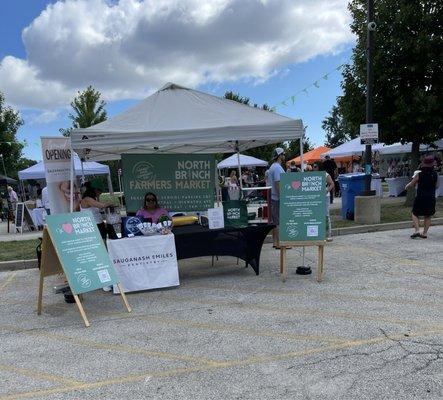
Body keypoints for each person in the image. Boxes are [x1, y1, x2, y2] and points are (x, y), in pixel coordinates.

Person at [405, 155, 439, 239]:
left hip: (420, 196)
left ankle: (417, 230)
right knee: (428, 215)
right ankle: (424, 233)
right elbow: (437, 186)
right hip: (431, 197)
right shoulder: (435, 174)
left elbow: (412, 184)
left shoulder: (419, 174)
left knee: (414, 212)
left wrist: (412, 185)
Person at [268, 147, 286, 248]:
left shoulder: (272, 167)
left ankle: (275, 242)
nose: (284, 156)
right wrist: (282, 197)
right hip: (277, 198)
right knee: (279, 221)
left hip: (273, 197)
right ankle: (279, 243)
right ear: (279, 156)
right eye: (283, 154)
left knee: (275, 222)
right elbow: (278, 183)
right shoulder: (278, 168)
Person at [313, 163, 334, 241]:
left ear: (319, 167)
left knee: (326, 214)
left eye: (315, 166)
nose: (313, 168)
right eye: (313, 166)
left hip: (325, 197)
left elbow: (332, 184)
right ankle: (319, 233)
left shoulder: (325, 174)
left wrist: (326, 191)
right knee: (317, 215)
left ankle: (329, 234)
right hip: (316, 197)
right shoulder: (313, 175)